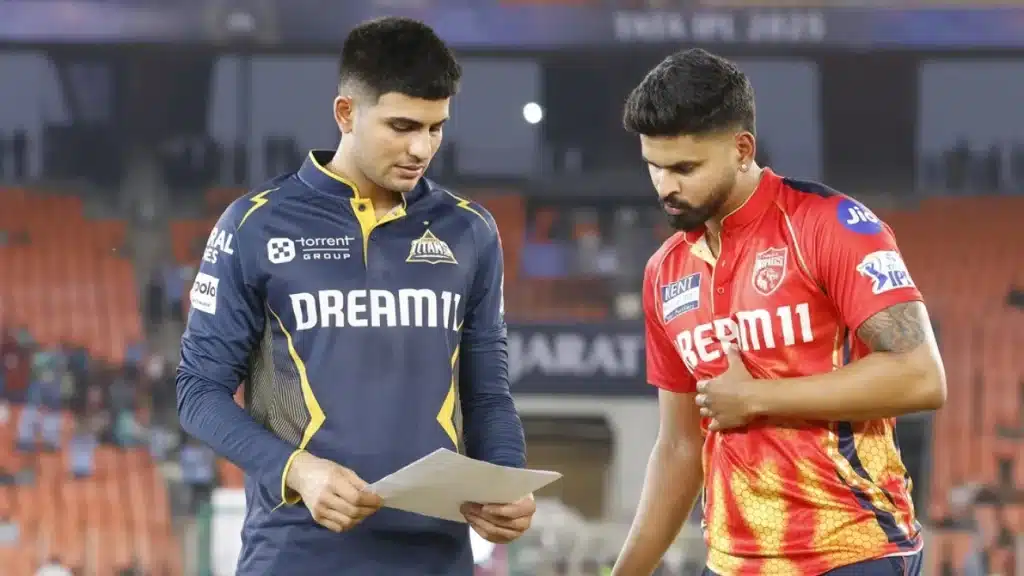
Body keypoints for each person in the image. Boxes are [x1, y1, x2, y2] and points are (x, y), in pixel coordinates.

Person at [176, 17, 532, 575]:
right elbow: (198, 391)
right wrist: (297, 471)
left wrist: (505, 479)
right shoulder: (254, 225)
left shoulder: (470, 231)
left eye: (436, 128)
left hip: (434, 559)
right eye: (401, 126)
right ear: (346, 113)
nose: (421, 148)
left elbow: (487, 394)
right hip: (296, 553)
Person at [611, 48, 946, 576]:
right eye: (654, 167)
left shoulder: (830, 226)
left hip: (852, 550)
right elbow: (679, 446)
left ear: (742, 149)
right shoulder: (664, 272)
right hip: (731, 562)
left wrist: (756, 398)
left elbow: (921, 376)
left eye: (685, 168)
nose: (666, 187)